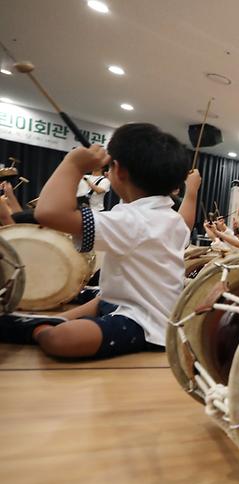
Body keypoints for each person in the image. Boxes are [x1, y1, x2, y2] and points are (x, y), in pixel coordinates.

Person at [0, 123, 189, 359]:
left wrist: (73, 164)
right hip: (123, 304)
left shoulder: (133, 220)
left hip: (143, 323)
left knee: (62, 339)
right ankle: (48, 321)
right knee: (97, 300)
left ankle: (37, 328)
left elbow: (49, 213)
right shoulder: (170, 219)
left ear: (118, 170)